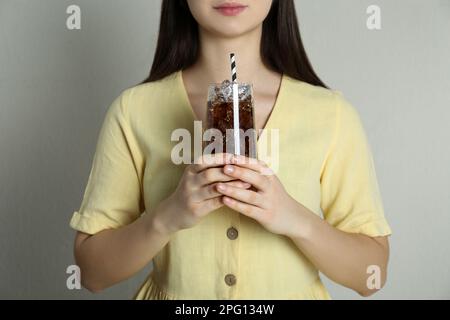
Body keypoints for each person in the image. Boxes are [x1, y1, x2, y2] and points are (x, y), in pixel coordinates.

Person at [70, 0, 392, 299]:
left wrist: (292, 217)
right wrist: (170, 215)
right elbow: (91, 273)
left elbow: (371, 276)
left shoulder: (330, 115)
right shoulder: (133, 112)